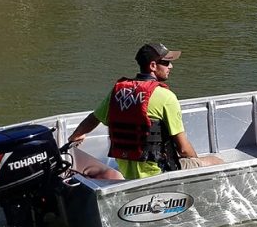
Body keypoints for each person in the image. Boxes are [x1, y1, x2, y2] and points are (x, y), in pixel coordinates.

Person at [68, 43, 223, 179]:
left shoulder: (118, 92)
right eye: (166, 62)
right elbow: (183, 149)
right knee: (216, 161)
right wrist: (195, 161)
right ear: (153, 66)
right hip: (158, 172)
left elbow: (93, 119)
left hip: (127, 171)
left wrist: (76, 136)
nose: (170, 66)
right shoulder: (166, 97)